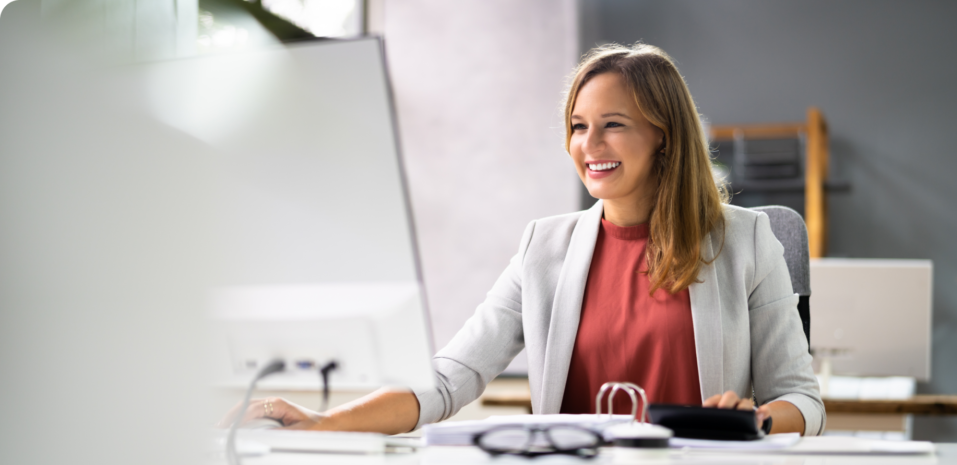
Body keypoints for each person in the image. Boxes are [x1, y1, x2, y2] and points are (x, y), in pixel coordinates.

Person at [220, 43, 825, 436]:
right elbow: (449, 377)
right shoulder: (546, 248)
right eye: (578, 127)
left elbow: (802, 399)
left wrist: (760, 419)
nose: (589, 147)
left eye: (613, 126)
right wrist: (322, 423)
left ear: (664, 137)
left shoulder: (747, 241)